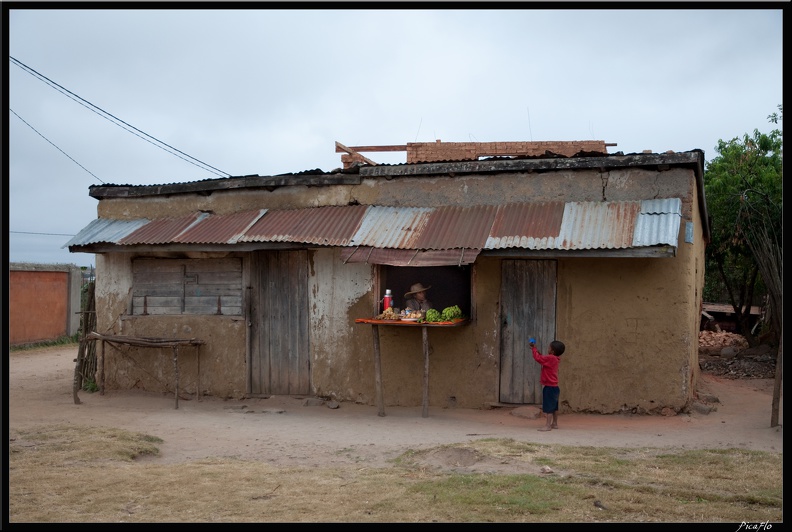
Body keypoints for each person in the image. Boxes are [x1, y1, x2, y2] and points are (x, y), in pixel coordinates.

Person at [530, 338, 565, 431]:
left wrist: (534, 349)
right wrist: (537, 351)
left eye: (549, 347)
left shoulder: (551, 358)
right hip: (555, 387)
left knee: (549, 407)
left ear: (552, 351)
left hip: (549, 388)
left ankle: (548, 426)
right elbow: (543, 359)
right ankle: (555, 423)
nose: (547, 348)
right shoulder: (555, 358)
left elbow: (538, 359)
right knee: (554, 407)